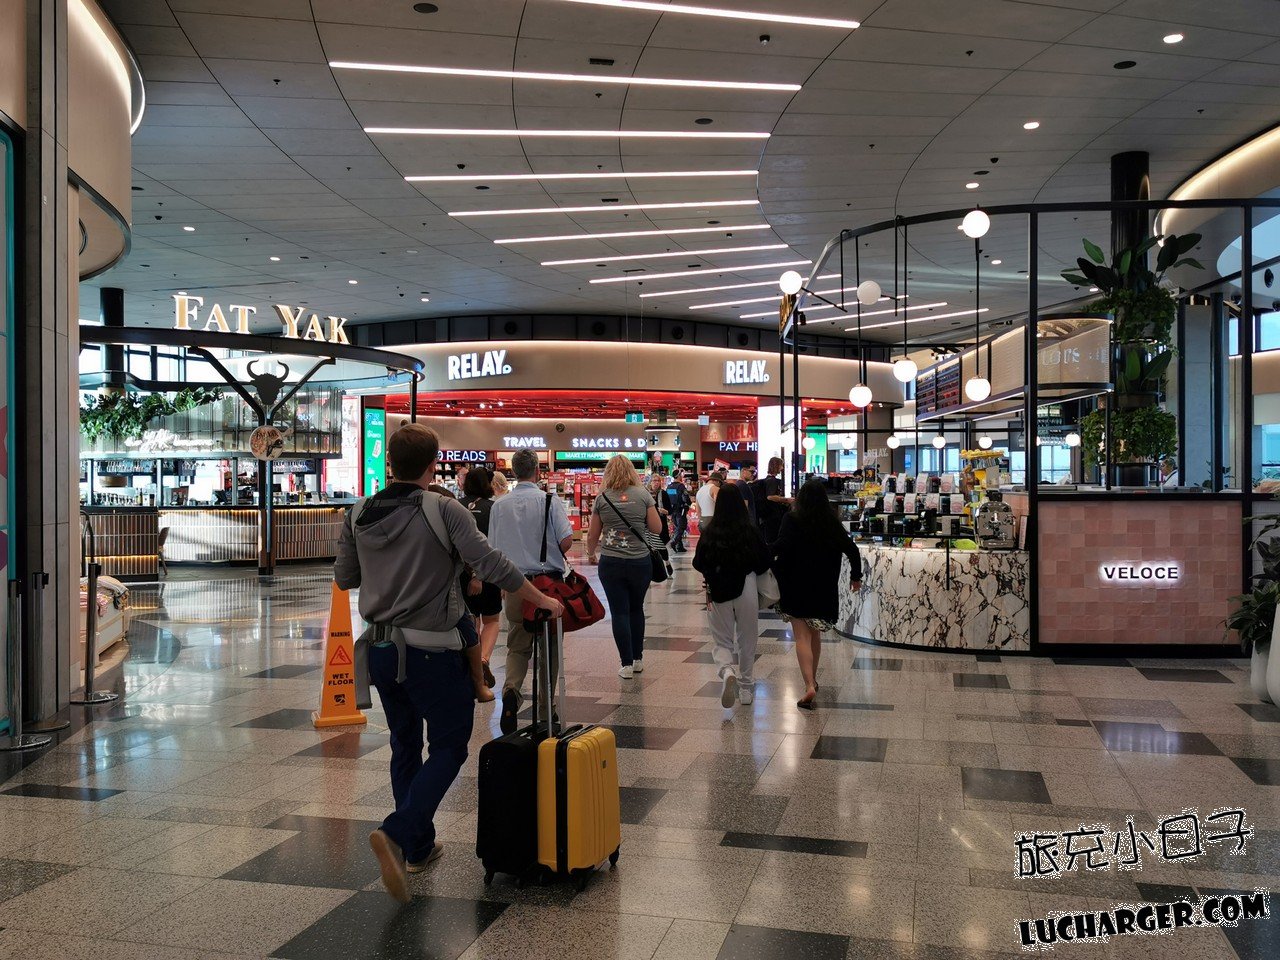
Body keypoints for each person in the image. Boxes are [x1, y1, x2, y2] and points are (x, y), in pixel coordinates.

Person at [334, 425, 562, 903]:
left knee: (403, 743)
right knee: (450, 746)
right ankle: (398, 833)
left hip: (380, 651)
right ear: (433, 462)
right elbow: (492, 564)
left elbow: (345, 577)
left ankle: (417, 847)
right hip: (432, 653)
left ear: (390, 461)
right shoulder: (443, 509)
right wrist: (541, 598)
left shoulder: (358, 511)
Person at [487, 449, 575, 734]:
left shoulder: (499, 506)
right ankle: (546, 707)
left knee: (517, 645)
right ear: (538, 471)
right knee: (550, 648)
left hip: (516, 584)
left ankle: (511, 692)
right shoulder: (549, 500)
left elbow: (493, 549)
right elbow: (567, 541)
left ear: (513, 472)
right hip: (548, 586)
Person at [771, 479, 862, 711]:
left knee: (801, 637)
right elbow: (851, 549)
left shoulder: (791, 519)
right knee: (815, 635)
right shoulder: (830, 522)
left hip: (795, 584)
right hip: (823, 586)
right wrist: (856, 577)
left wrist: (762, 555)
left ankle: (809, 684)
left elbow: (780, 546)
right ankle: (814, 680)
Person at [692, 484, 769, 709]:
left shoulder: (711, 531)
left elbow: (698, 562)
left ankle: (727, 671)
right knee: (747, 638)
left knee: (722, 639)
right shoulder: (750, 531)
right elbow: (764, 561)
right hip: (747, 586)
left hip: (718, 589)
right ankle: (746, 688)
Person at [586, 454, 662, 679]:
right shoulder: (643, 494)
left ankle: (626, 664)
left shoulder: (602, 498)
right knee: (636, 609)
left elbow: (592, 534)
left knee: (619, 611)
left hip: (611, 563)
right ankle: (638, 659)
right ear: (631, 471)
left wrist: (591, 554)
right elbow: (656, 528)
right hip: (640, 562)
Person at [460, 467, 502, 692]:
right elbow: (496, 543)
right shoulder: (493, 508)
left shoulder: (455, 506)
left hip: (461, 574)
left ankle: (473, 664)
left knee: (471, 619)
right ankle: (483, 659)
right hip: (489, 571)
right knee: (492, 619)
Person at [758, 456, 792, 543]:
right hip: (772, 515)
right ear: (776, 466)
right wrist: (787, 500)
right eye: (781, 465)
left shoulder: (766, 480)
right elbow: (770, 496)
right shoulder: (772, 481)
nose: (782, 468)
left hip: (768, 515)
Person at [667, 470, 691, 552]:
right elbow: (686, 497)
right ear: (678, 476)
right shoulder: (681, 486)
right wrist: (689, 503)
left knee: (677, 527)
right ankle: (674, 542)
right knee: (682, 526)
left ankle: (679, 546)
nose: (682, 476)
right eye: (681, 475)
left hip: (672, 510)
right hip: (680, 510)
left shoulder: (669, 486)